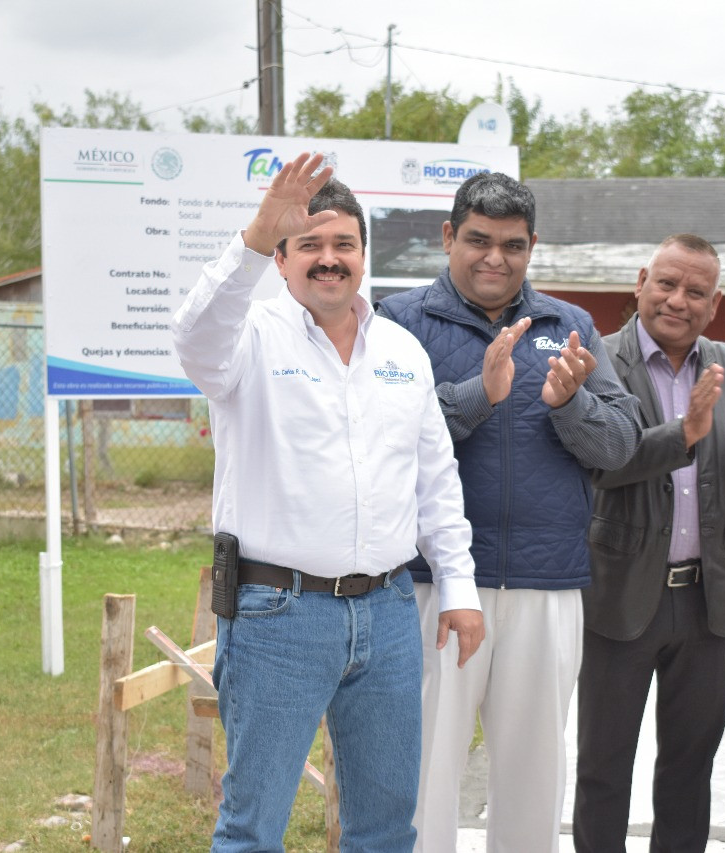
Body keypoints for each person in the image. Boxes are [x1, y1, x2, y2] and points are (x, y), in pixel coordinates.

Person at [172, 153, 483, 853]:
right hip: (277, 617)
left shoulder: (402, 352)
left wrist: (458, 586)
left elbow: (434, 480)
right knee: (254, 827)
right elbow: (193, 337)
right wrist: (254, 233)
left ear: (364, 257)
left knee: (383, 827)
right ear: (280, 261)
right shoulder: (247, 341)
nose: (329, 259)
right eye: (308, 243)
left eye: (343, 244)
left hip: (389, 614)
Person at [377, 171, 641, 852]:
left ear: (532, 247)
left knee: (533, 771)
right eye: (478, 240)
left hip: (545, 583)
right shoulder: (399, 322)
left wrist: (569, 403)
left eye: (513, 245)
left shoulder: (570, 325)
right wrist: (478, 394)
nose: (495, 257)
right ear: (448, 237)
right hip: (432, 584)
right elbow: (378, 438)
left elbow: (619, 443)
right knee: (426, 764)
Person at [573, 234, 725, 852]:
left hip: (706, 600)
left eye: (696, 291)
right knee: (603, 767)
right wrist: (686, 432)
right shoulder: (601, 359)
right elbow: (602, 463)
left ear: (714, 301)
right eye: (667, 283)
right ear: (642, 281)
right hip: (621, 596)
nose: (678, 300)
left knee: (691, 769)